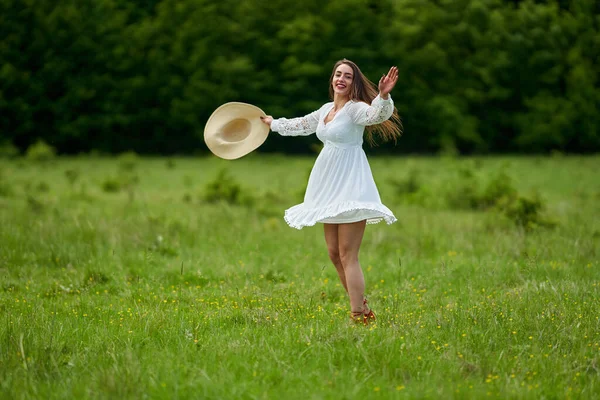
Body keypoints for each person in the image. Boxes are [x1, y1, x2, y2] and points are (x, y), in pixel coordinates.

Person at [260, 59, 401, 324]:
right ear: (333, 79)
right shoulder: (327, 110)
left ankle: (358, 315)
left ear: (353, 82)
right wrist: (272, 123)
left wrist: (383, 96)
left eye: (347, 76)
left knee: (348, 254)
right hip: (327, 186)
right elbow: (302, 124)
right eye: (338, 74)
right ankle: (362, 305)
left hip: (350, 185)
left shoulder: (356, 109)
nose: (341, 79)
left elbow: (376, 115)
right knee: (334, 254)